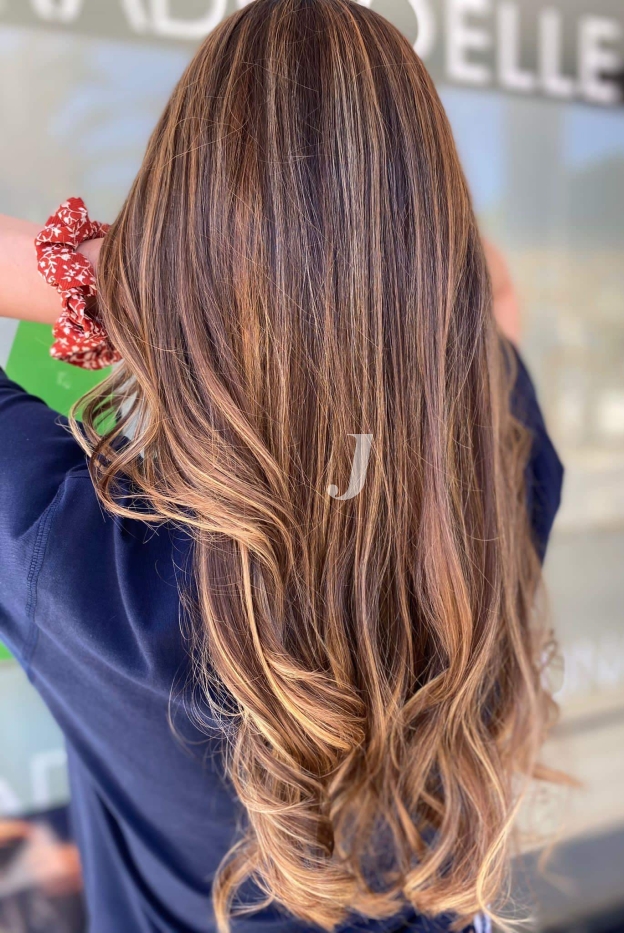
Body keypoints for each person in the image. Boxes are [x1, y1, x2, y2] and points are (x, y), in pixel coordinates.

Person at [0, 1, 564, 931]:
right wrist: (378, 261)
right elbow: (494, 293)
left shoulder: (82, 562)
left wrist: (120, 277)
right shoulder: (494, 475)